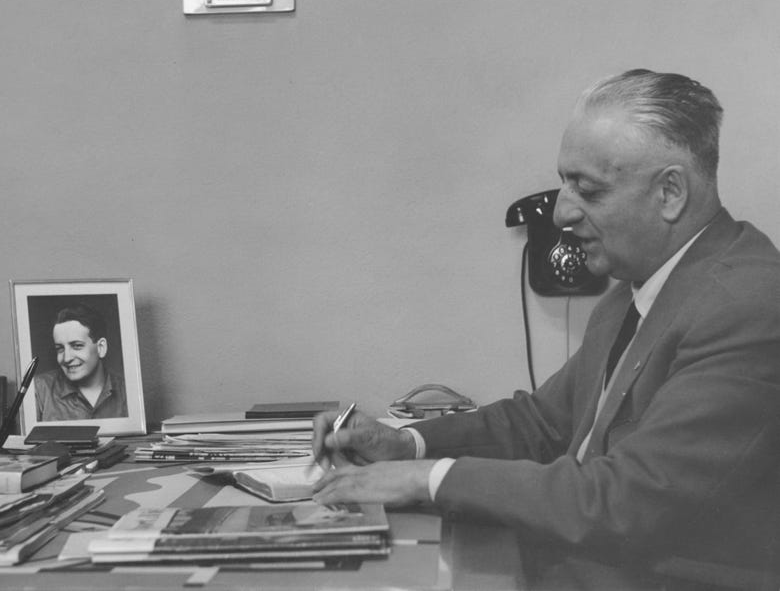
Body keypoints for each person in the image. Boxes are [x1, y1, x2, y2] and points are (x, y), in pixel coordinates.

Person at [312, 70, 780, 589]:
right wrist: (406, 445)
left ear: (670, 192)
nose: (561, 211)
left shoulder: (748, 305)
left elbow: (625, 501)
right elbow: (542, 425)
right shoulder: (636, 288)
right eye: (564, 181)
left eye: (588, 189)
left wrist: (429, 479)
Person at [35, 303, 129, 421]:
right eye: (60, 348)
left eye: (77, 346)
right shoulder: (39, 390)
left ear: (101, 347)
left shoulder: (128, 391)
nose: (67, 358)